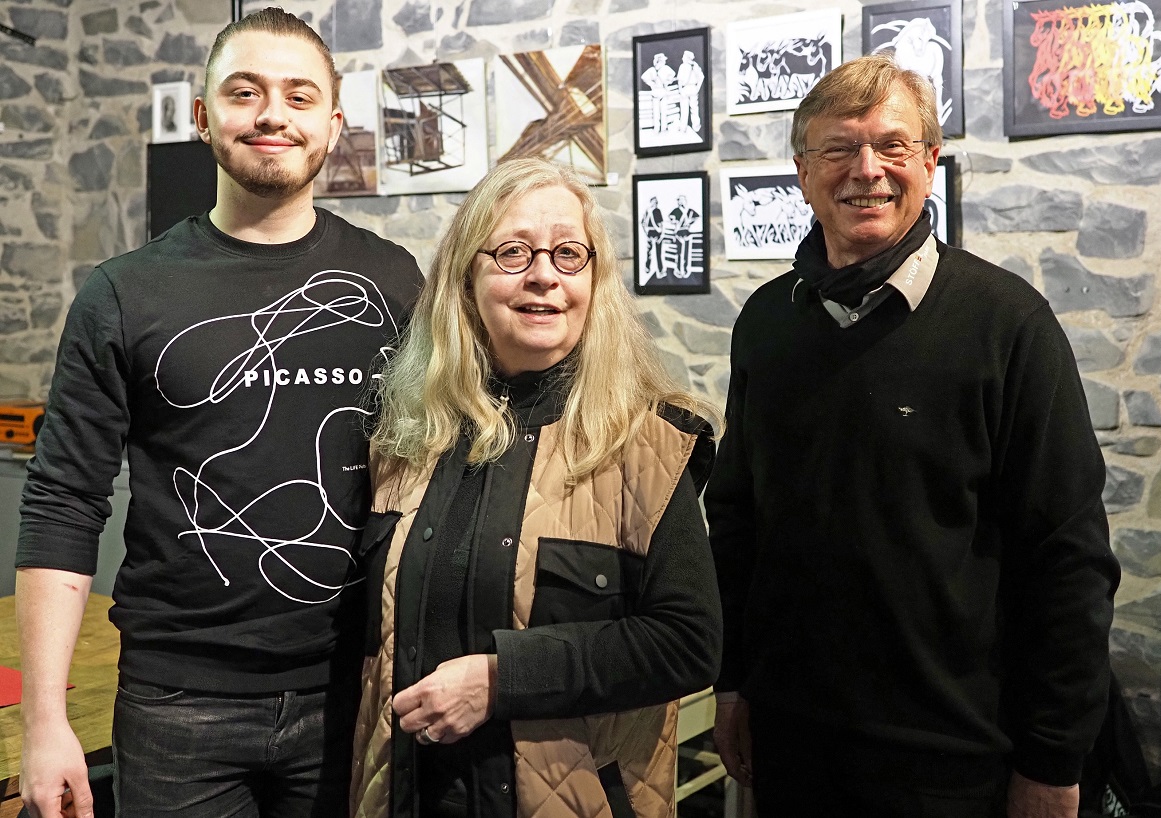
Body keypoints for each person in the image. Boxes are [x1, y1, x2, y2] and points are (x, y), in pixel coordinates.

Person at [16, 9, 423, 818]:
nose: (273, 113)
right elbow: (62, 502)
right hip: (177, 706)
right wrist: (45, 721)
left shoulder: (393, 283)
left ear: (332, 124)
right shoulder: (123, 294)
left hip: (355, 689)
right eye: (245, 92)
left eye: (299, 96)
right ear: (202, 116)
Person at [706, 54, 1120, 818]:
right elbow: (738, 522)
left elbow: (1068, 559)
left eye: (892, 146)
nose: (867, 170)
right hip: (793, 745)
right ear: (803, 172)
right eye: (839, 149)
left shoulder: (1008, 325)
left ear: (929, 163)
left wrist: (1054, 759)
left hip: (958, 760)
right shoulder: (765, 323)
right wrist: (732, 683)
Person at [350, 156, 722, 818]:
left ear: (593, 283)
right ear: (467, 281)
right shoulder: (406, 436)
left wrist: (502, 679)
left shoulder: (650, 444)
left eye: (568, 254)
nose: (544, 275)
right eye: (514, 252)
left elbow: (688, 642)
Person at [640, 52, 676, 133]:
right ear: (661, 61)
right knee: (663, 112)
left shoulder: (652, 70)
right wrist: (668, 81)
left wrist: (651, 84)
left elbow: (643, 77)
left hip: (655, 92)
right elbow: (672, 76)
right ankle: (664, 128)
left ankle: (657, 129)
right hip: (663, 91)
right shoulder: (666, 68)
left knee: (656, 112)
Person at [676, 50, 704, 134]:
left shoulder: (683, 66)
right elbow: (701, 77)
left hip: (685, 89)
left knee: (684, 109)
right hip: (693, 89)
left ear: (686, 57)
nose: (682, 58)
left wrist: (680, 90)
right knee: (694, 109)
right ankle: (696, 127)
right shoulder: (695, 65)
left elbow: (680, 80)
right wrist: (697, 88)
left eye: (684, 56)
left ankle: (683, 128)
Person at [640, 195, 665, 279]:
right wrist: (646, 232)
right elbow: (643, 223)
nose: (654, 203)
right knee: (649, 253)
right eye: (653, 202)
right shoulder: (648, 211)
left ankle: (660, 270)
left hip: (656, 234)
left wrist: (661, 234)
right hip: (651, 233)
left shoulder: (657, 211)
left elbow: (661, 225)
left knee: (658, 253)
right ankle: (648, 268)